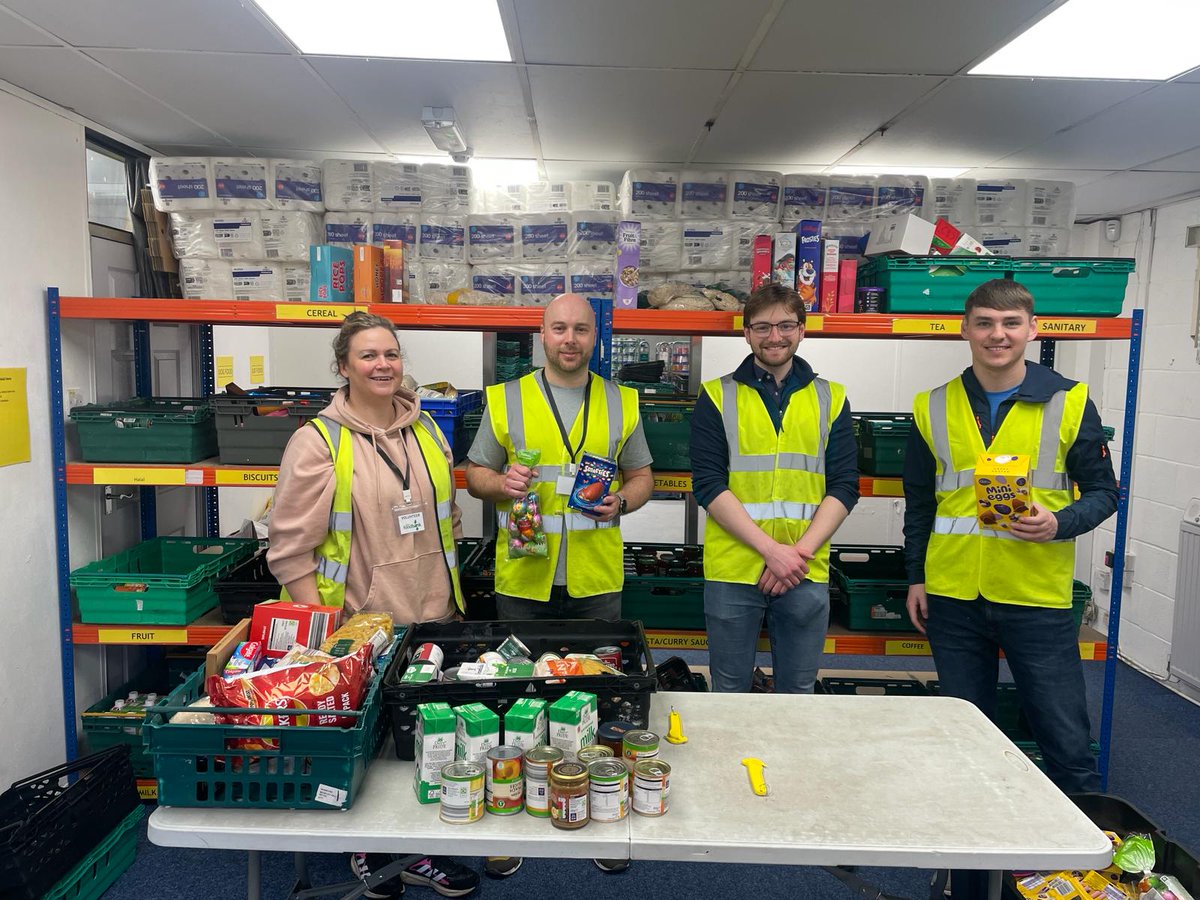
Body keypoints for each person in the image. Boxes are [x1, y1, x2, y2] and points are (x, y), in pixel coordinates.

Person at [268, 311, 478, 899]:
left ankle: (420, 853)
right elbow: (288, 550)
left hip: (434, 613)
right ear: (343, 367)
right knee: (364, 752)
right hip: (359, 627)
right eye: (367, 355)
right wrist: (327, 641)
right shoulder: (317, 442)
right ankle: (372, 853)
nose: (382, 365)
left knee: (426, 743)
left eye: (390, 354)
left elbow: (446, 519)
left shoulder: (427, 431)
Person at [903, 278, 1117, 797]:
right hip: (954, 598)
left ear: (1031, 329)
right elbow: (921, 506)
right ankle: (973, 866)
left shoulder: (1070, 402)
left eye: (1010, 323)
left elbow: (1104, 493)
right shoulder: (932, 406)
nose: (997, 335)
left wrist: (1058, 523)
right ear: (965, 330)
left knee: (1064, 738)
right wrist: (916, 578)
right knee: (966, 736)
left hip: (1035, 597)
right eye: (985, 323)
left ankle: (1082, 859)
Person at [465, 292, 654, 878]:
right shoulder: (506, 398)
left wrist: (622, 500)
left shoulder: (622, 401)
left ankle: (599, 810)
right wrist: (502, 483)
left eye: (580, 330)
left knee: (600, 697)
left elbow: (643, 475)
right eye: (558, 328)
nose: (569, 339)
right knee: (519, 695)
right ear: (540, 335)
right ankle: (514, 808)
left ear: (595, 338)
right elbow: (474, 477)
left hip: (596, 577)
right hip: (525, 575)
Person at [690, 282, 859, 694]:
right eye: (762, 327)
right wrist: (771, 552)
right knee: (729, 689)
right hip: (734, 569)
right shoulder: (716, 395)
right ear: (746, 333)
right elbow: (709, 485)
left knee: (798, 691)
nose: (775, 337)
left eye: (786, 325)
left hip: (805, 569)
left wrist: (794, 557)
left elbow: (844, 486)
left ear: (802, 330)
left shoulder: (830, 398)